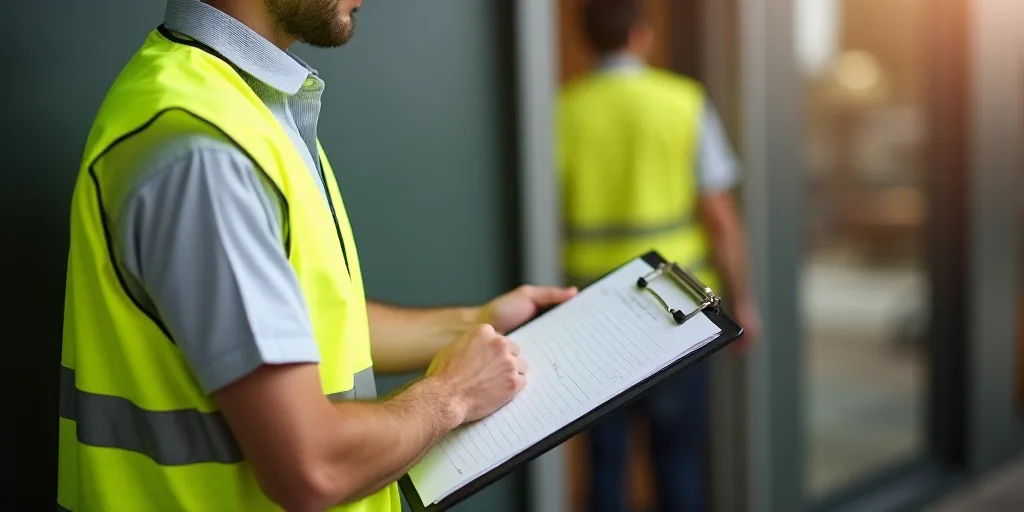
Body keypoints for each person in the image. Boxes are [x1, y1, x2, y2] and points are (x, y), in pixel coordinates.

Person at [56, 0, 578, 510]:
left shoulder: (237, 103)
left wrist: (475, 324)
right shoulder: (203, 154)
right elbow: (313, 466)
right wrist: (453, 395)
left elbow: (294, 327)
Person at [557, 0, 761, 510]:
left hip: (591, 309)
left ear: (588, 42)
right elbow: (719, 215)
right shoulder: (683, 101)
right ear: (641, 36)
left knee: (606, 460)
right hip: (677, 307)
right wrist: (745, 300)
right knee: (678, 457)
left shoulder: (562, 111)